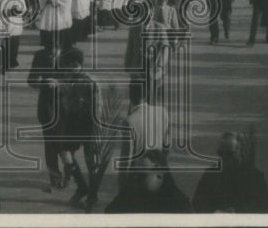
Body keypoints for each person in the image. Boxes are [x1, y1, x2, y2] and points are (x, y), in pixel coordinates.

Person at [57, 47, 99, 210]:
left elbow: (98, 107)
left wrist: (96, 130)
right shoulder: (71, 78)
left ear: (75, 64)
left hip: (88, 124)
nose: (66, 69)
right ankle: (82, 186)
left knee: (91, 163)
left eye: (68, 65)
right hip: (73, 122)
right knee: (65, 153)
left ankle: (92, 196)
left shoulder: (89, 82)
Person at [192, 131, 268, 213]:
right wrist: (214, 213)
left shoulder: (255, 177)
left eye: (228, 153)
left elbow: (265, 210)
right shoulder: (210, 175)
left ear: (239, 151)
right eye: (221, 153)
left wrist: (237, 212)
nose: (224, 157)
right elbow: (197, 205)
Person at [28, 35, 66, 189]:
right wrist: (38, 82)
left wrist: (59, 84)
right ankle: (55, 177)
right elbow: (30, 79)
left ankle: (70, 173)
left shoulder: (70, 57)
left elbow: (76, 81)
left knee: (65, 144)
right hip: (46, 107)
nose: (50, 55)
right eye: (48, 52)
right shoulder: (39, 56)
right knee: (50, 145)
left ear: (60, 49)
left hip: (65, 108)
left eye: (53, 52)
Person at [105, 149, 192, 213]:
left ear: (159, 175)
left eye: (142, 175)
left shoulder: (179, 204)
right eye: (135, 174)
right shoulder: (128, 197)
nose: (136, 178)